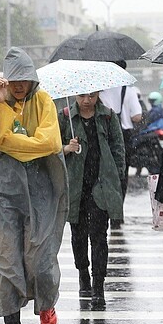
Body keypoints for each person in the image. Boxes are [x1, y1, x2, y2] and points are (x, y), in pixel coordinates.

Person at [0, 47, 68, 324]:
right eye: (13, 80)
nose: (19, 86)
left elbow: (51, 142)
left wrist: (11, 142)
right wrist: (3, 107)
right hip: (3, 193)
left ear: (33, 80)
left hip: (41, 189)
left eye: (24, 80)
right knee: (5, 261)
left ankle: (46, 305)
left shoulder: (43, 102)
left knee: (41, 258)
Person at [58, 91, 125, 309]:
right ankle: (83, 274)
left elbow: (118, 150)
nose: (87, 100)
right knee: (78, 236)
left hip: (100, 187)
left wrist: (117, 178)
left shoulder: (107, 116)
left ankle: (98, 286)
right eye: (82, 96)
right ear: (75, 95)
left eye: (92, 96)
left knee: (99, 237)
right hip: (76, 188)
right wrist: (67, 148)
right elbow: (51, 150)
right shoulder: (65, 117)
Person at [98, 61, 142, 229]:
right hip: (125, 138)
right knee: (121, 176)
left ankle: (105, 210)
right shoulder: (129, 91)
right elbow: (137, 116)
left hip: (105, 137)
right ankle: (117, 215)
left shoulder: (101, 91)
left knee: (106, 175)